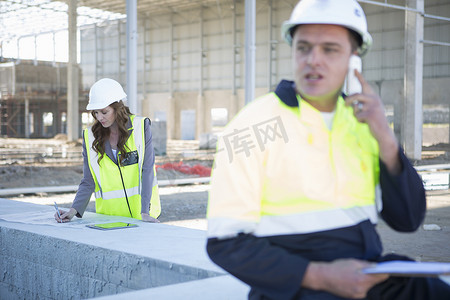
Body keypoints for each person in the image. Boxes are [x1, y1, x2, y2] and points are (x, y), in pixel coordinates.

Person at [206, 0, 450, 299]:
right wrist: (321, 276)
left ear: (354, 58)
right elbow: (225, 243)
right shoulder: (250, 127)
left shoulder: (363, 123)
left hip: (366, 276)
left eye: (330, 49)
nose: (313, 60)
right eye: (304, 47)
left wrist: (386, 139)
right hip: (298, 286)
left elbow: (408, 220)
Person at [54, 78, 161, 223]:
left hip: (142, 217)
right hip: (108, 218)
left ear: (118, 108)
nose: (99, 117)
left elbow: (147, 170)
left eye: (104, 112)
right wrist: (73, 210)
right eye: (96, 112)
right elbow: (88, 180)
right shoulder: (90, 137)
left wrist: (145, 212)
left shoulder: (141, 127)